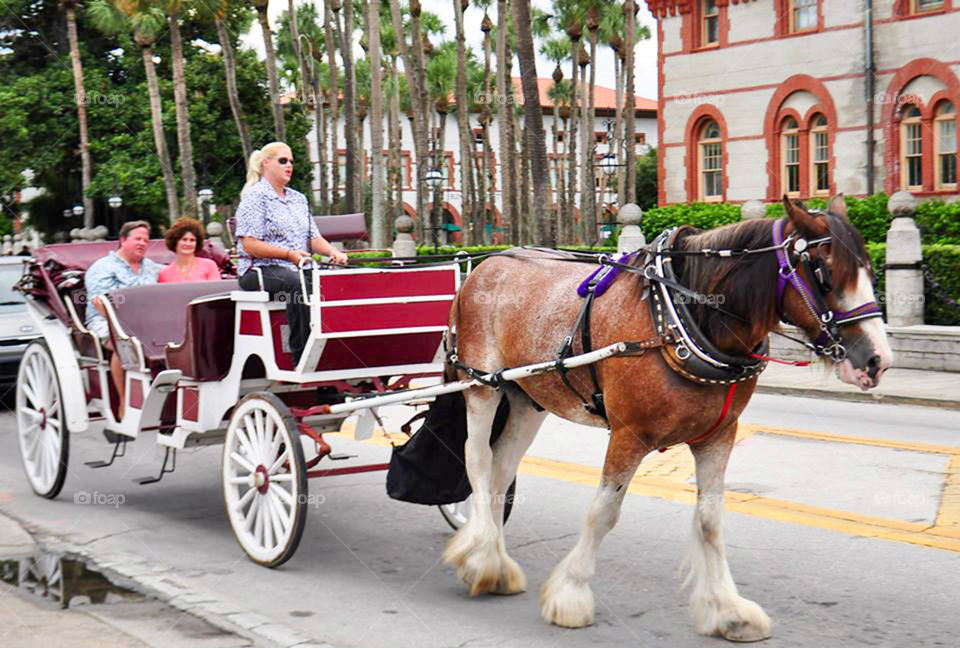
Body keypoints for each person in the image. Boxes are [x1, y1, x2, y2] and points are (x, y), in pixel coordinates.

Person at [235, 142, 348, 367]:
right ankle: (303, 356)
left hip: (298, 266)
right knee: (296, 284)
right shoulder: (255, 197)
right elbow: (249, 244)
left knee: (334, 282)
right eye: (283, 161)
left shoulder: (298, 199)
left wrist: (333, 252)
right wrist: (288, 254)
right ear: (265, 163)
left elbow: (313, 238)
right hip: (259, 269)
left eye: (291, 162)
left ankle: (336, 351)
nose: (289, 166)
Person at [85, 220, 162, 418]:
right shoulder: (103, 267)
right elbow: (99, 303)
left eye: (146, 240)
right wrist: (126, 326)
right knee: (124, 344)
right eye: (137, 239)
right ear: (122, 240)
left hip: (148, 323)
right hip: (105, 322)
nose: (143, 243)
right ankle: (124, 403)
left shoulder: (151, 267)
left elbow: (174, 276)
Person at [158, 218, 221, 283]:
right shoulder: (165, 273)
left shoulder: (209, 265)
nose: (188, 244)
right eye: (184, 239)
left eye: (192, 240)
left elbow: (218, 290)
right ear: (175, 242)